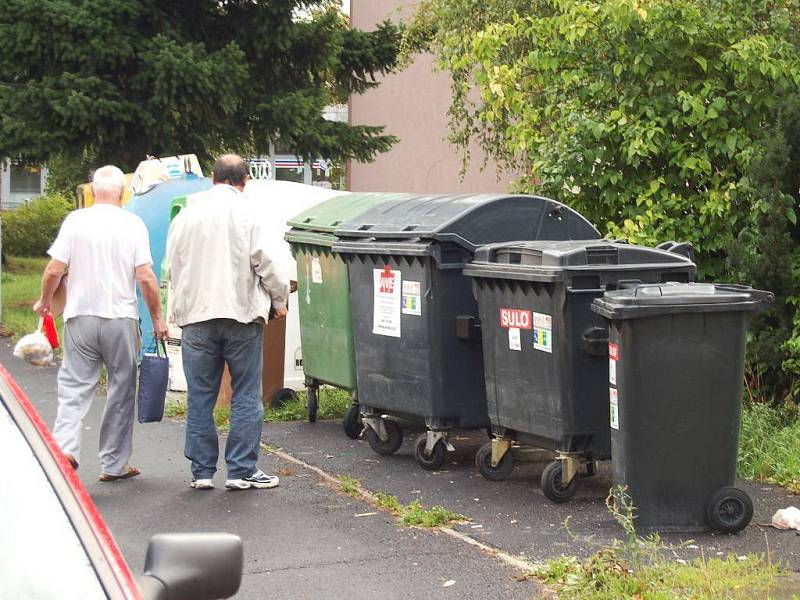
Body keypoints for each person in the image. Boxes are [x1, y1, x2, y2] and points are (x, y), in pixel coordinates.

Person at [35, 165, 168, 480]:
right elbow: (146, 277)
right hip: (120, 318)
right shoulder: (133, 223)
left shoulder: (76, 221)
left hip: (80, 316)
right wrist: (157, 317)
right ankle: (113, 463)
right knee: (121, 388)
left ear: (92, 192)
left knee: (73, 386)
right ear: (123, 193)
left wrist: (44, 301)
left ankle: (66, 446)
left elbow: (54, 269)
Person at [166, 154, 289, 491]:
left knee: (200, 395)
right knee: (246, 393)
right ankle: (241, 470)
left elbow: (172, 266)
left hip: (196, 318)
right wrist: (279, 302)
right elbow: (270, 264)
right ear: (245, 180)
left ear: (212, 177)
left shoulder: (187, 214)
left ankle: (202, 472)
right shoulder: (250, 213)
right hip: (241, 315)